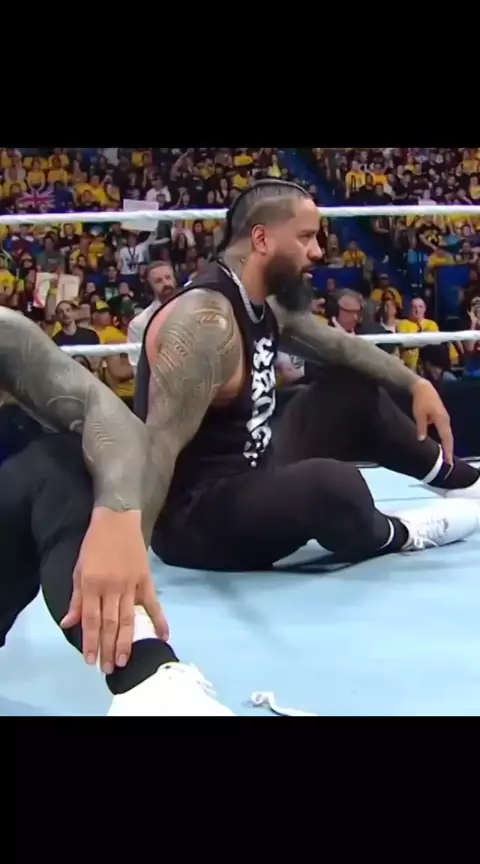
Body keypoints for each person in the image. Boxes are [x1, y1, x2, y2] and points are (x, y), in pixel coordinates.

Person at [0, 178, 478, 716]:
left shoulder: (260, 303)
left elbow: (338, 346)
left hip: (254, 471)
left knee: (350, 392)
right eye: (307, 237)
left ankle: (462, 480)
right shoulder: (204, 325)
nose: (318, 252)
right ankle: (397, 533)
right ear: (262, 239)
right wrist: (133, 540)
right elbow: (157, 443)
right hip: (198, 515)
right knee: (333, 484)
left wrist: (414, 383)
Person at [127, 261, 177, 372]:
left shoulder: (192, 309)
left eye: (168, 278)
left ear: (174, 280)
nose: (166, 283)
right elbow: (137, 366)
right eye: (158, 281)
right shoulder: (139, 324)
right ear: (150, 287)